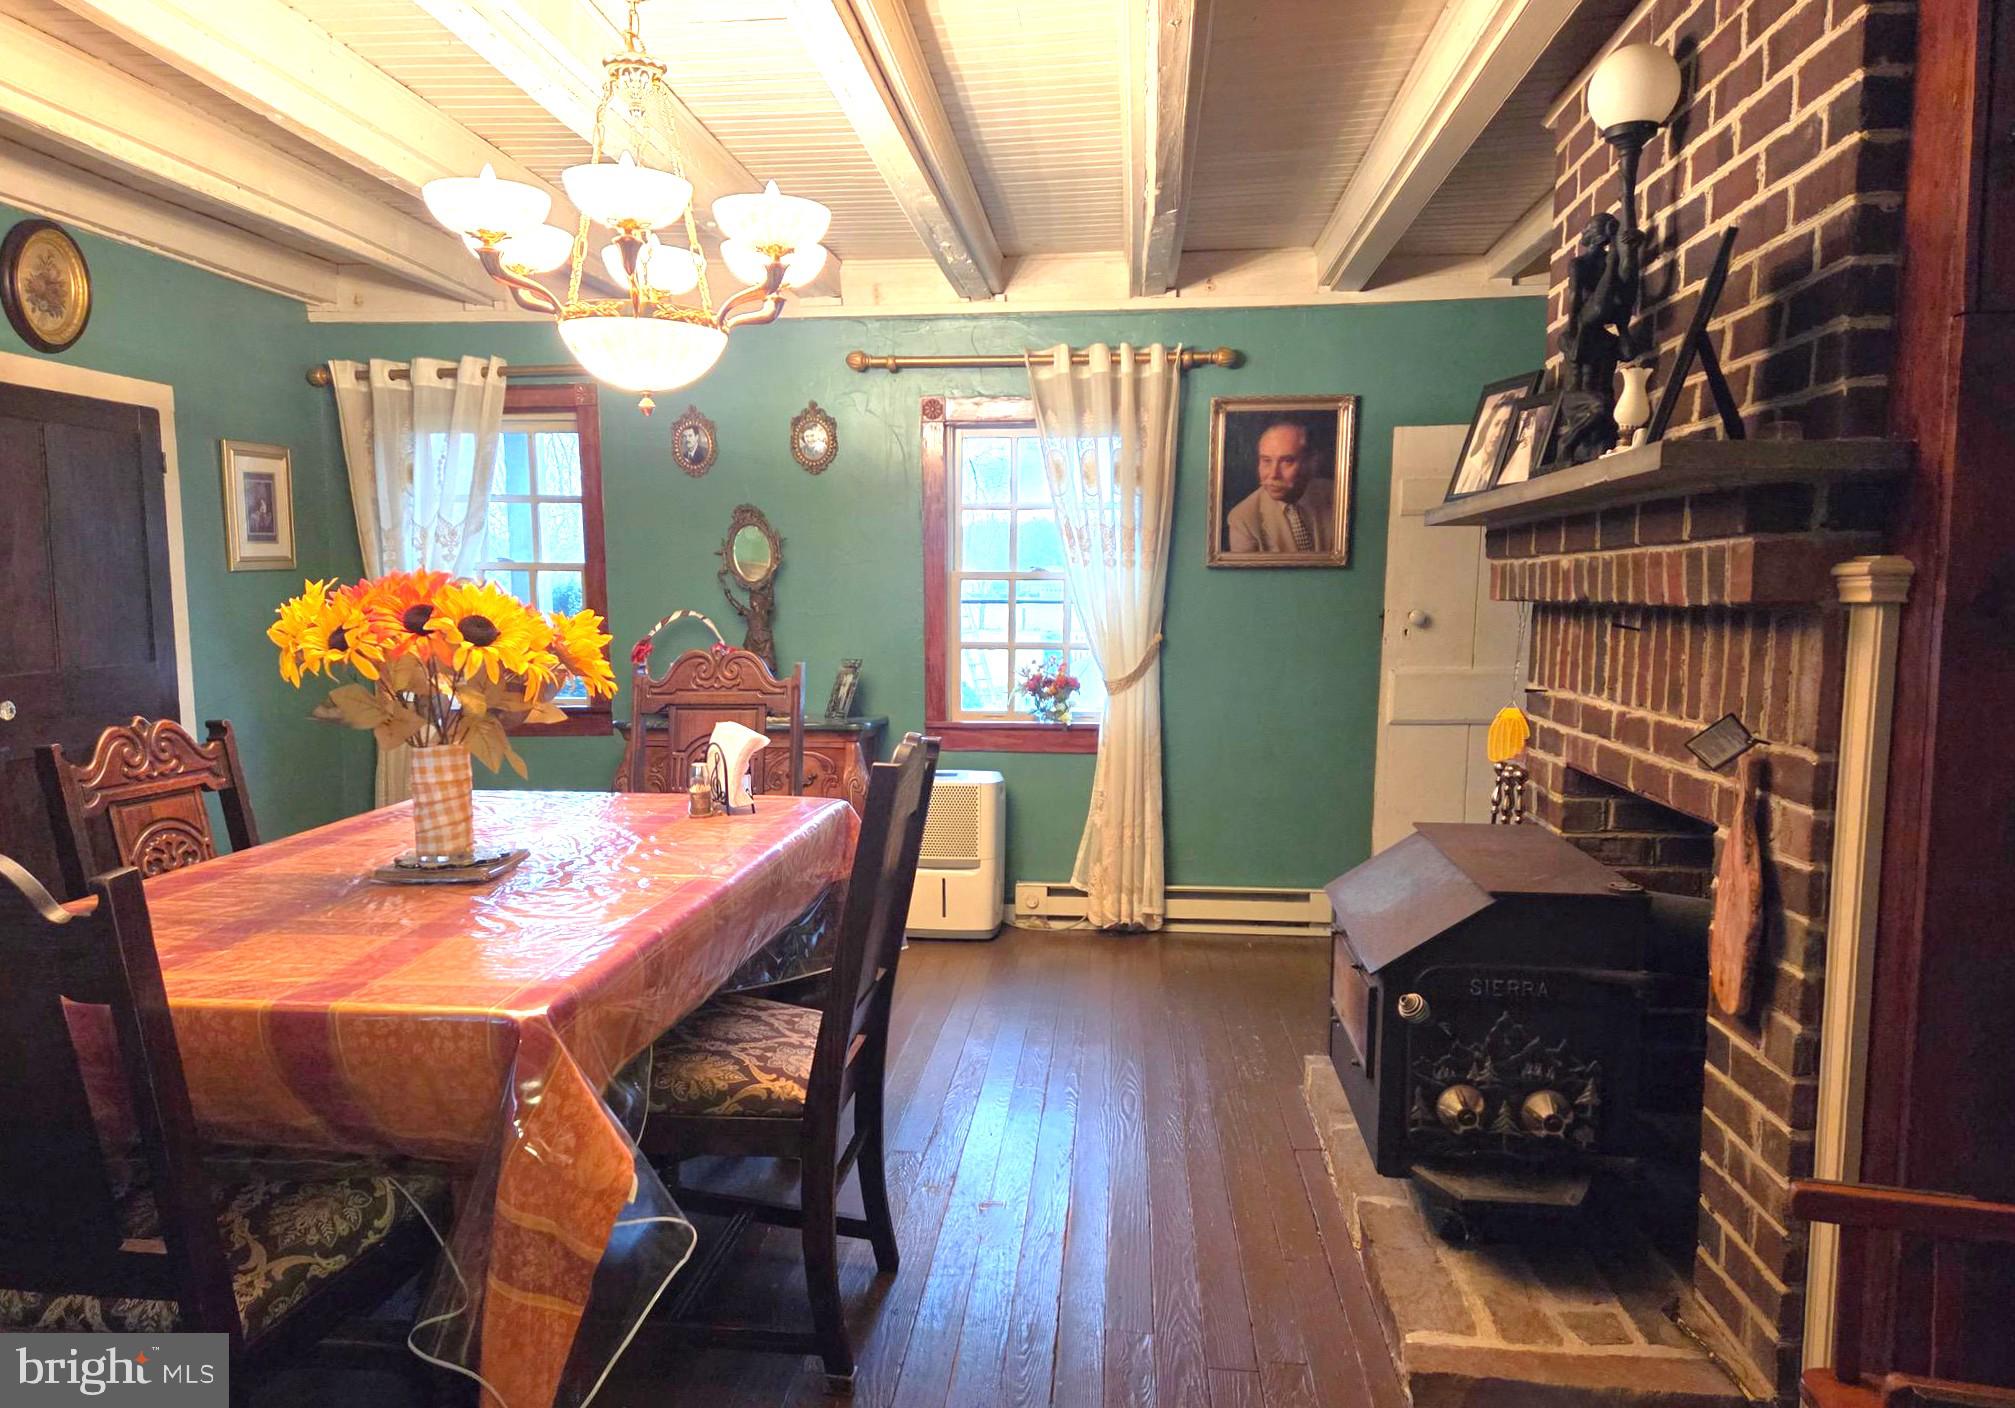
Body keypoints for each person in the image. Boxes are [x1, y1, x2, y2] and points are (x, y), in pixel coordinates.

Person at [1225, 418, 1336, 554]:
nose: (1273, 474)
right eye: (1266, 460)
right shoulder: (1243, 519)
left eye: (1287, 461)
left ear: (1312, 462)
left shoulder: (1337, 496)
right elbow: (1247, 575)